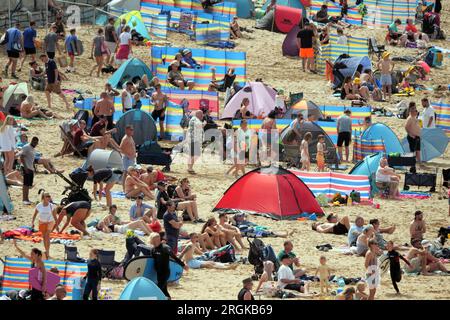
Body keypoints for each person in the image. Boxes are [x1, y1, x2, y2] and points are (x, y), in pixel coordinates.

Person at [148, 232, 187, 299]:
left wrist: (183, 265)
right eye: (154, 240)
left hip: (165, 272)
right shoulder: (153, 249)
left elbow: (174, 257)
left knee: (158, 289)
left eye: (158, 240)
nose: (156, 242)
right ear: (151, 240)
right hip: (158, 273)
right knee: (164, 291)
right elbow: (152, 261)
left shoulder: (165, 248)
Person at [31, 191, 57, 259]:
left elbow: (55, 216)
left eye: (49, 196)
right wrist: (32, 222)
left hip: (50, 222)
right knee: (44, 237)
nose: (49, 197)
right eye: (47, 196)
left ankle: (47, 252)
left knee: (47, 236)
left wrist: (57, 225)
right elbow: (35, 214)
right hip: (42, 222)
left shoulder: (52, 206)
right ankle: (46, 251)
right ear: (43, 197)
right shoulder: (39, 205)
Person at [19, 136, 38, 205]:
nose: (35, 144)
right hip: (25, 167)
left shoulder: (33, 149)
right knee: (25, 184)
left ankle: (27, 198)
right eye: (34, 142)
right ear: (32, 141)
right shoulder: (26, 147)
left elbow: (32, 160)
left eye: (36, 143)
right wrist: (26, 167)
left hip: (31, 168)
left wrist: (33, 169)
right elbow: (21, 157)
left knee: (29, 184)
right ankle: (24, 199)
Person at [120, 125, 136, 189]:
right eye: (131, 130)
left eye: (133, 129)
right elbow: (120, 148)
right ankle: (124, 187)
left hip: (131, 158)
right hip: (127, 158)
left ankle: (127, 187)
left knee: (130, 173)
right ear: (127, 130)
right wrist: (128, 155)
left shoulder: (130, 137)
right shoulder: (125, 138)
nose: (132, 131)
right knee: (126, 173)